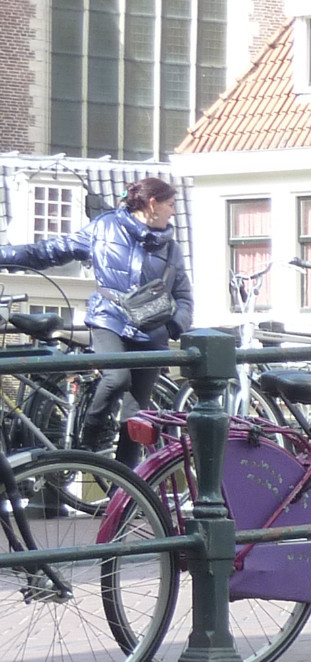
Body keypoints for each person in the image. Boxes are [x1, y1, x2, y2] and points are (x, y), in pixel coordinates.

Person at [0, 175, 193, 457]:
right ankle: (88, 437)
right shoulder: (104, 227)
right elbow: (50, 251)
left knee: (136, 419)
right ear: (153, 204)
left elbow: (184, 296)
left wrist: (175, 324)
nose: (174, 211)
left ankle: (124, 491)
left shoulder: (172, 249)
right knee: (116, 378)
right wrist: (4, 256)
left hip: (152, 334)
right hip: (109, 319)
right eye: (171, 204)